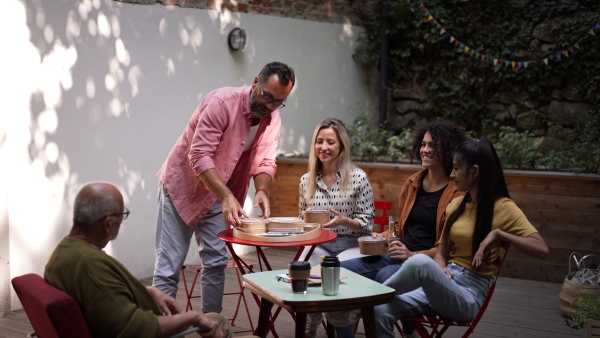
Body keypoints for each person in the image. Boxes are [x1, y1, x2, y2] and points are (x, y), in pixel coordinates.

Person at [153, 62, 295, 313]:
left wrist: (261, 190)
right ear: (255, 82)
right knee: (169, 268)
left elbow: (265, 161)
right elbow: (199, 155)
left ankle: (212, 326)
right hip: (183, 189)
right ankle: (160, 329)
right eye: (267, 97)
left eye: (278, 102)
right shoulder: (221, 103)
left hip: (219, 196)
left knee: (217, 262)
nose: (270, 106)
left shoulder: (273, 117)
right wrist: (227, 197)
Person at [374, 138, 549, 337]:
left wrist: (498, 233)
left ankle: (369, 296)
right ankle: (374, 299)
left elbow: (541, 249)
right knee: (381, 309)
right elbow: (441, 254)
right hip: (446, 282)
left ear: (475, 171)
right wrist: (440, 270)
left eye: (456, 168)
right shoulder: (456, 206)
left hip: (469, 294)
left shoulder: (503, 208)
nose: (452, 175)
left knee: (420, 261)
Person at [45, 182, 257, 338]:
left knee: (215, 318)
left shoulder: (63, 253)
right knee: (231, 330)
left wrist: (147, 292)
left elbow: (102, 298)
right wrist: (192, 318)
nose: (122, 221)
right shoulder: (90, 265)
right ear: (108, 224)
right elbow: (137, 329)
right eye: (123, 215)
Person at [327, 121, 468, 338]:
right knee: (335, 271)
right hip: (396, 256)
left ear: (448, 150)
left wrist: (413, 254)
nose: (425, 150)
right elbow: (401, 228)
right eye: (423, 144)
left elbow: (450, 247)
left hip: (426, 264)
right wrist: (380, 237)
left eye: (433, 145)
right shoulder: (413, 182)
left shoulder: (456, 192)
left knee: (384, 276)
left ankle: (397, 325)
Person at [297, 117, 375, 338]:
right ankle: (309, 324)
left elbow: (367, 224)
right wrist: (304, 223)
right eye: (319, 141)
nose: (324, 147)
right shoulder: (306, 180)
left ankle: (343, 330)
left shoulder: (358, 178)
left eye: (330, 142)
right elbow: (302, 218)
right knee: (304, 266)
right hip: (319, 241)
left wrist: (343, 220)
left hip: (350, 243)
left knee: (335, 271)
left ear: (341, 145)